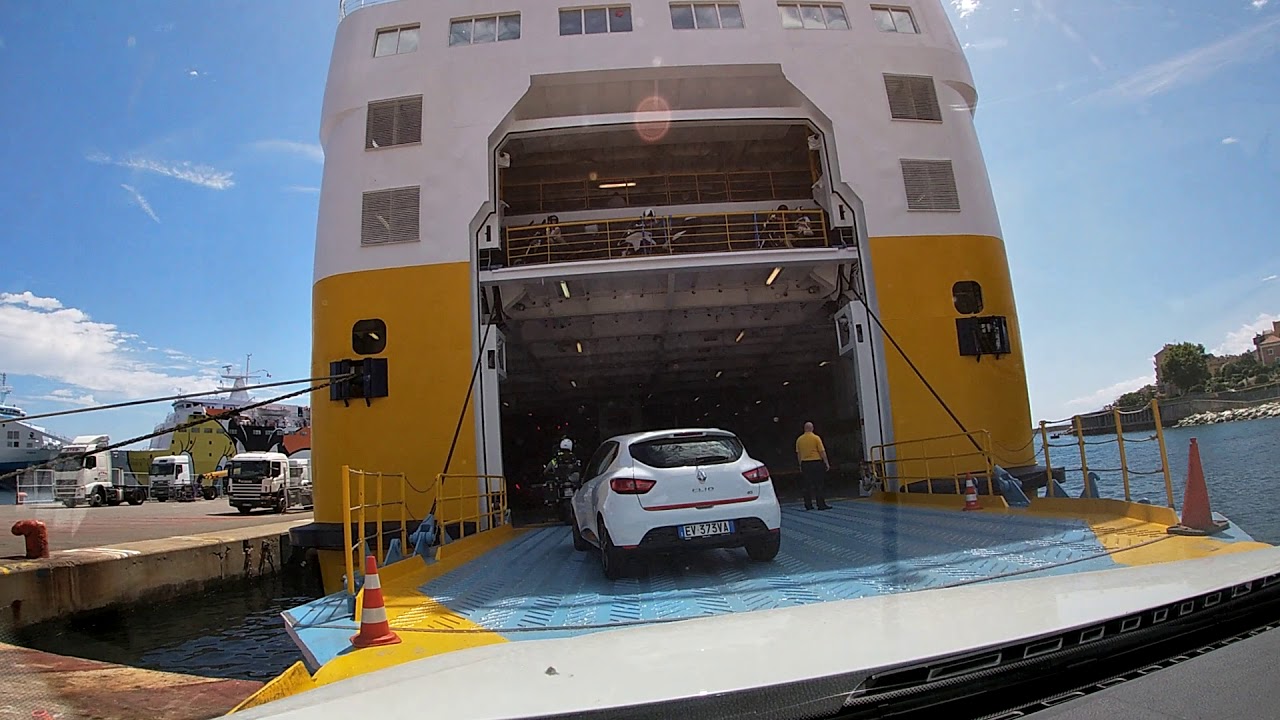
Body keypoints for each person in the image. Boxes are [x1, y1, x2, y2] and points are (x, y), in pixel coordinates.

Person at [795, 422, 832, 511]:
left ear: (804, 428)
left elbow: (798, 454)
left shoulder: (799, 440)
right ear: (812, 428)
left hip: (805, 463)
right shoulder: (816, 438)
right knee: (819, 484)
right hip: (816, 463)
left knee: (807, 485)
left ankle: (808, 505)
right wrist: (826, 462)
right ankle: (820, 504)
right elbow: (822, 451)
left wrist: (800, 464)